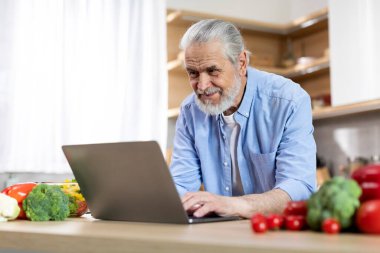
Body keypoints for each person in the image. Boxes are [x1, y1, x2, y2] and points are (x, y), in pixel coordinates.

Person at [169, 19, 316, 219]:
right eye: (193, 73)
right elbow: (181, 185)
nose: (202, 86)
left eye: (213, 71)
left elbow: (299, 187)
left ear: (241, 63)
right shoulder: (190, 111)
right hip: (222, 234)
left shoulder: (289, 101)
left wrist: (234, 205)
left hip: (277, 232)